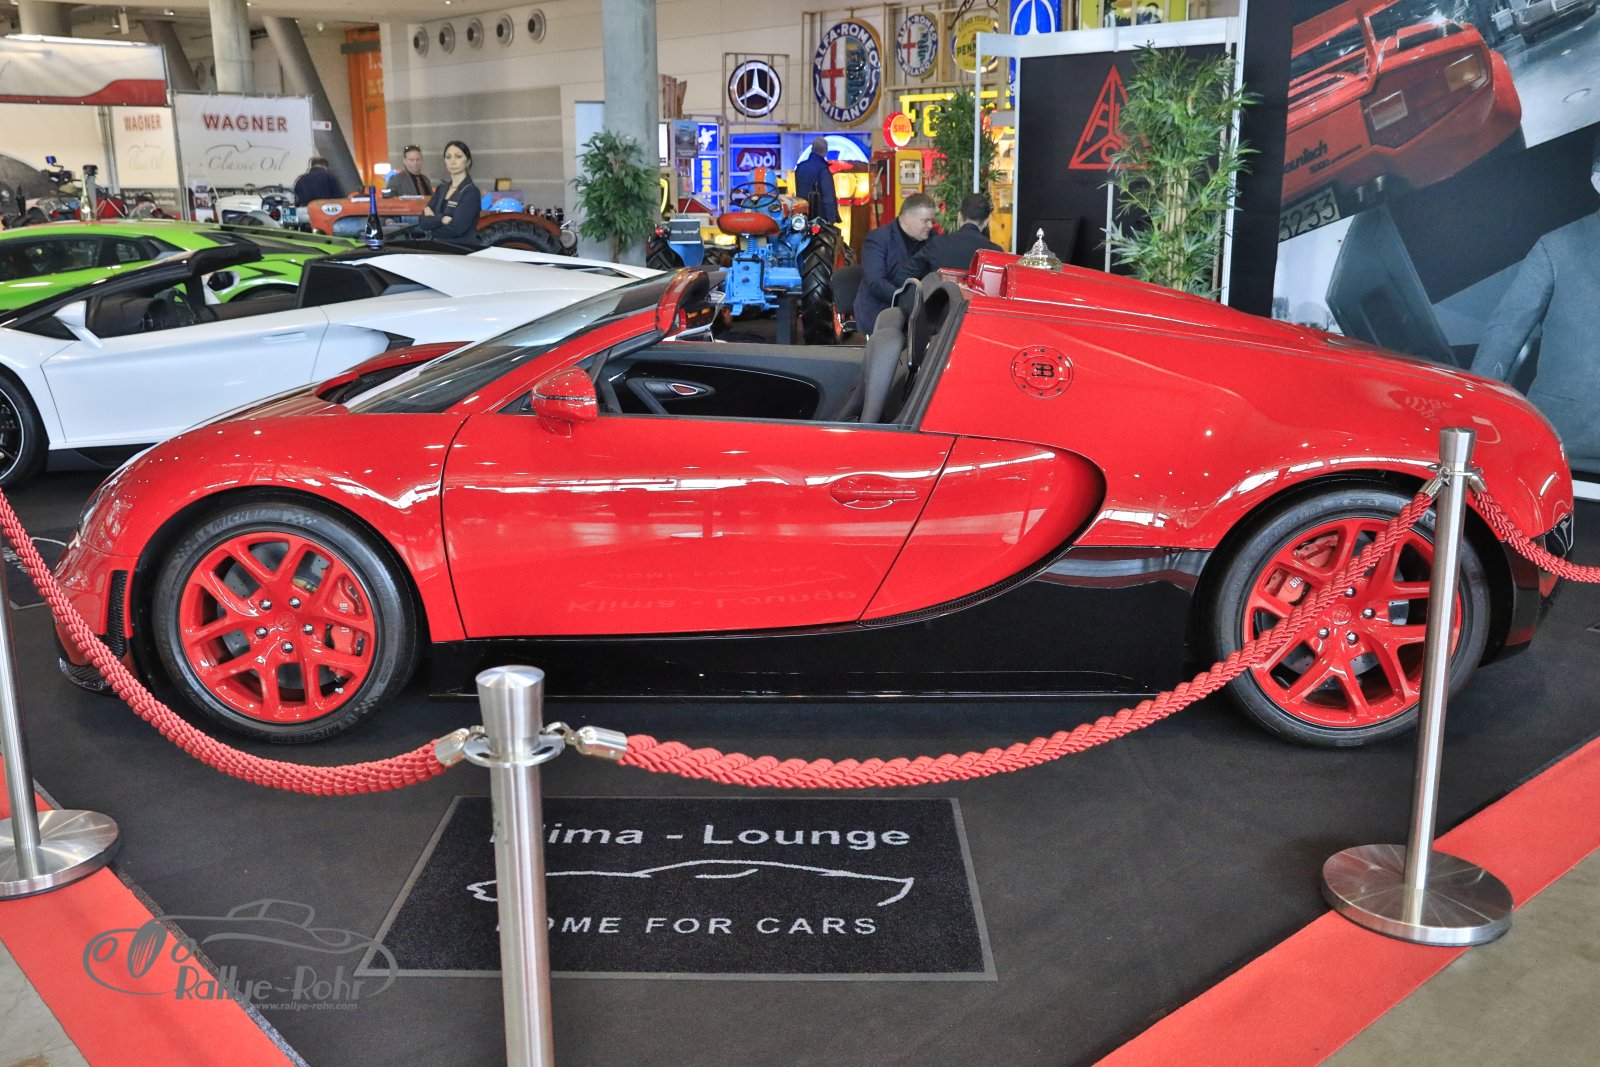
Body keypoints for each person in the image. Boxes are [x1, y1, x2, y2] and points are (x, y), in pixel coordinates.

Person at [1470, 134, 1600, 469]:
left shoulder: (1555, 246)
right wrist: (1477, 413)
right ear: (1597, 180)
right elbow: (1504, 336)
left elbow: (1504, 334)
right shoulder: (1556, 247)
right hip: (1567, 442)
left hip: (1565, 437)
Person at [855, 192, 937, 336]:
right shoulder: (878, 239)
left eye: (932, 220)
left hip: (918, 311)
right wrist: (907, 301)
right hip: (880, 310)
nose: (930, 226)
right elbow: (876, 283)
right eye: (925, 221)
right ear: (907, 218)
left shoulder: (932, 238)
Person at [889, 193, 1001, 286]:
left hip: (942, 306)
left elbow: (902, 277)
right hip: (978, 306)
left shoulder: (938, 244)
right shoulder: (996, 253)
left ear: (959, 216)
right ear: (986, 221)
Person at [414, 140, 481, 247]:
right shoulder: (441, 189)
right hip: (437, 246)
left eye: (458, 156)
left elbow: (457, 228)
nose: (452, 162)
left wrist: (433, 223)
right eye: (448, 157)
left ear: (468, 161)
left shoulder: (471, 192)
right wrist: (441, 219)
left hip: (461, 249)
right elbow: (423, 221)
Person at [793, 136, 839, 224]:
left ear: (812, 149)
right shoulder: (823, 169)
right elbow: (828, 197)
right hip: (820, 218)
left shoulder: (800, 167)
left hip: (802, 215)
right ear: (825, 151)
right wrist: (831, 219)